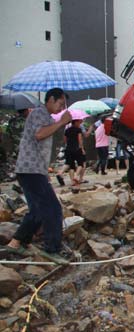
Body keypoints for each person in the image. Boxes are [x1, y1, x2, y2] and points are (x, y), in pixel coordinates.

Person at [1, 88, 72, 263]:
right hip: (30, 170)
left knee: (37, 211)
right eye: (60, 104)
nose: (61, 108)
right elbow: (39, 135)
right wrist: (61, 122)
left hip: (32, 170)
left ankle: (16, 243)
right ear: (51, 99)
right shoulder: (39, 113)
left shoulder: (44, 116)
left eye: (64, 106)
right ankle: (51, 248)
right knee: (53, 209)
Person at [63, 118, 87, 186]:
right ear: (75, 122)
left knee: (71, 165)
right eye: (79, 122)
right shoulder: (78, 130)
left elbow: (65, 140)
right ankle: (76, 176)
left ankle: (72, 181)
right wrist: (82, 148)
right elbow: (79, 140)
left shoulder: (67, 130)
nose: (80, 123)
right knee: (81, 163)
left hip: (68, 149)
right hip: (76, 149)